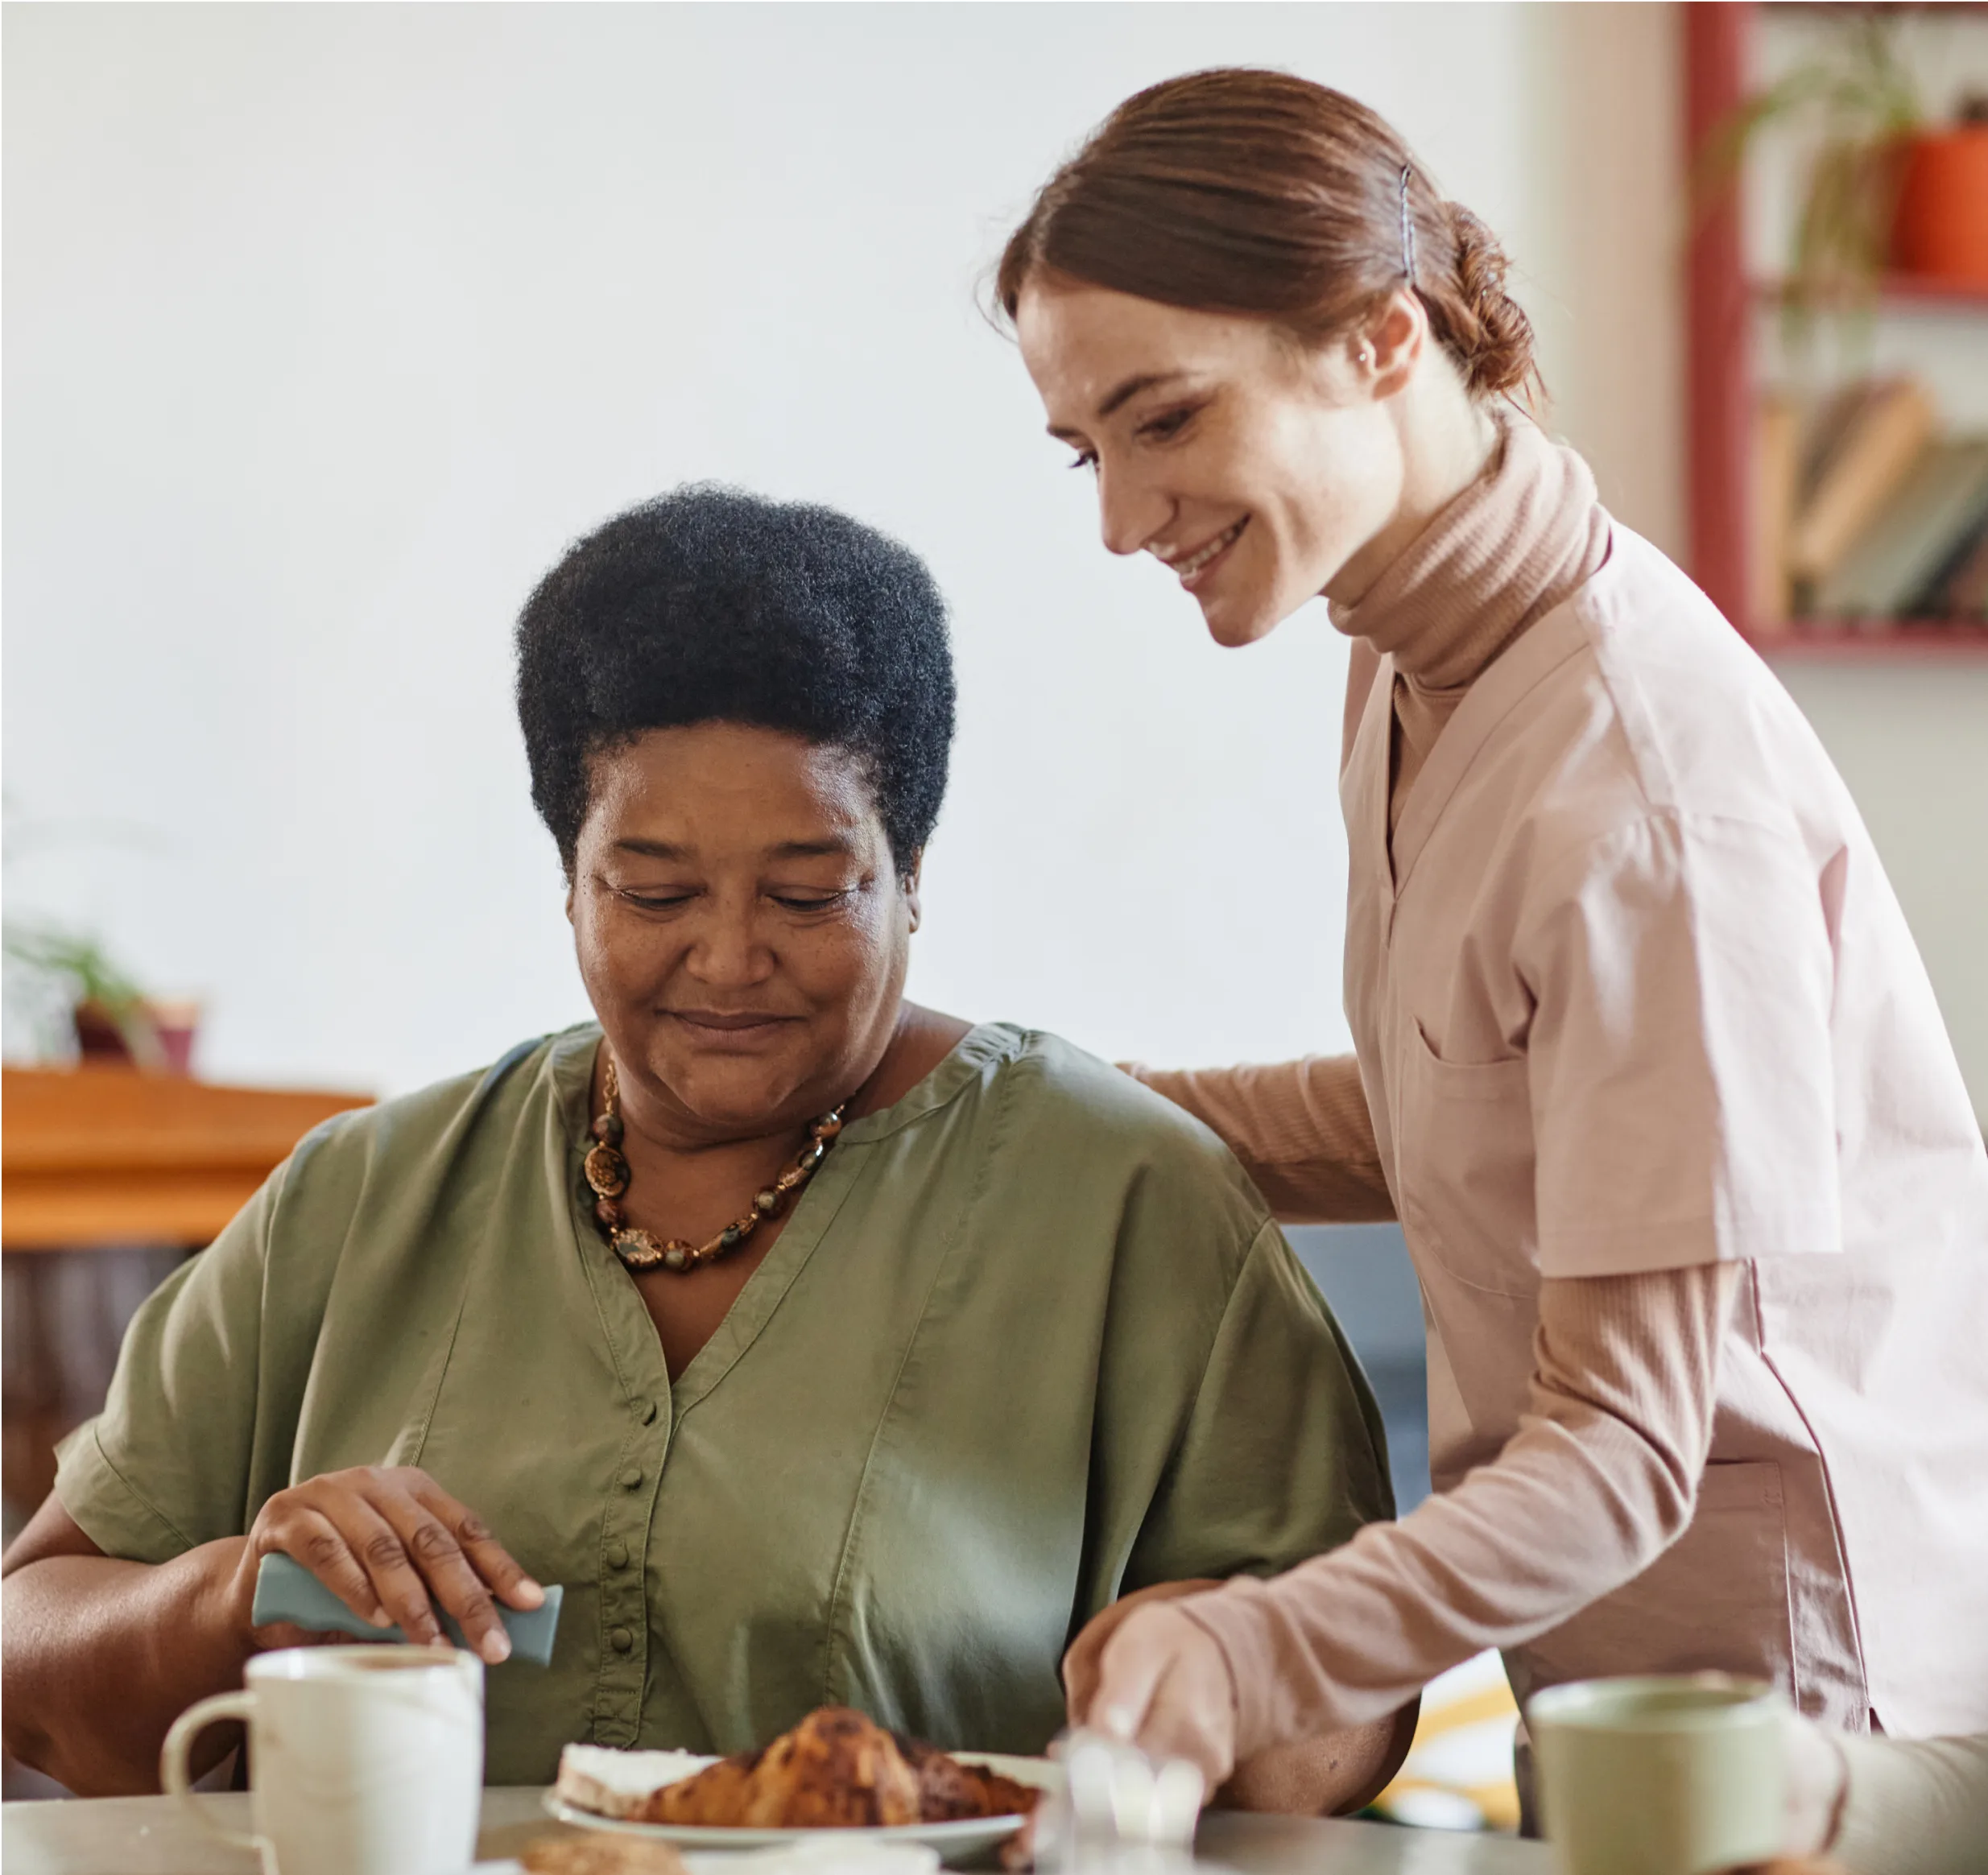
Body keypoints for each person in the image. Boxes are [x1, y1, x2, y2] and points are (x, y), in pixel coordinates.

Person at [0, 487, 1405, 1802]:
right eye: (653, 889)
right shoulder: (363, 1199)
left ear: (913, 879)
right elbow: (28, 1646)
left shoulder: (1125, 1199)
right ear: (568, 883)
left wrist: (1228, 1672)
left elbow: (1347, 1732)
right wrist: (229, 1594)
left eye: (811, 893)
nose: (730, 962)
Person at [996, 68, 1988, 1794]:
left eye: (1165, 422)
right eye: (1090, 450)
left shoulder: (1640, 785)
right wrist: (1033, 1105)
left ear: (1382, 339)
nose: (1118, 519)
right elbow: (1473, 1117)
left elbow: (1617, 1459)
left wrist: (1251, 1643)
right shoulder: (1406, 650)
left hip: (1809, 1730)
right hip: (1612, 1713)